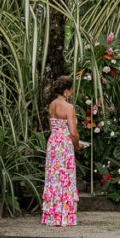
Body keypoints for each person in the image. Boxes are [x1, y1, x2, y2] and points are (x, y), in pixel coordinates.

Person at [42, 75, 80, 226]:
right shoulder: (69, 107)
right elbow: (73, 132)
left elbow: (52, 127)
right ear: (66, 90)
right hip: (64, 143)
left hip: (53, 143)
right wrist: (77, 145)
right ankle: (64, 216)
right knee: (65, 177)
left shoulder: (51, 105)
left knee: (54, 177)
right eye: (71, 89)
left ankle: (52, 215)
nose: (72, 92)